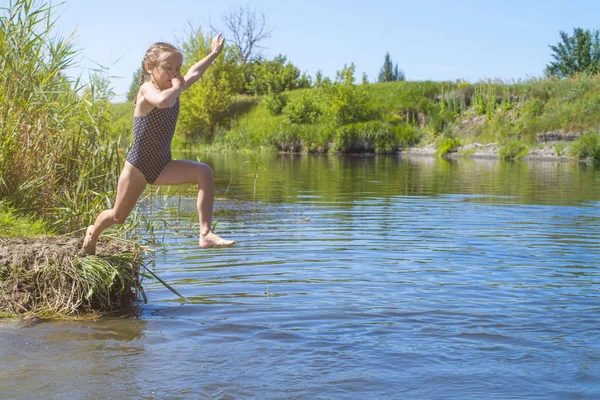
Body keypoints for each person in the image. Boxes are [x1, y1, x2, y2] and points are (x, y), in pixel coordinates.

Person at [83, 34, 235, 255]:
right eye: (168, 68)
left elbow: (194, 72)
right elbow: (163, 101)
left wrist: (213, 54)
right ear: (149, 68)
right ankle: (92, 232)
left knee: (205, 172)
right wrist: (177, 86)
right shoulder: (147, 89)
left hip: (163, 165)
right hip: (137, 167)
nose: (175, 73)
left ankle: (205, 234)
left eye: (178, 68)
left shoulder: (174, 87)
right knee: (118, 216)